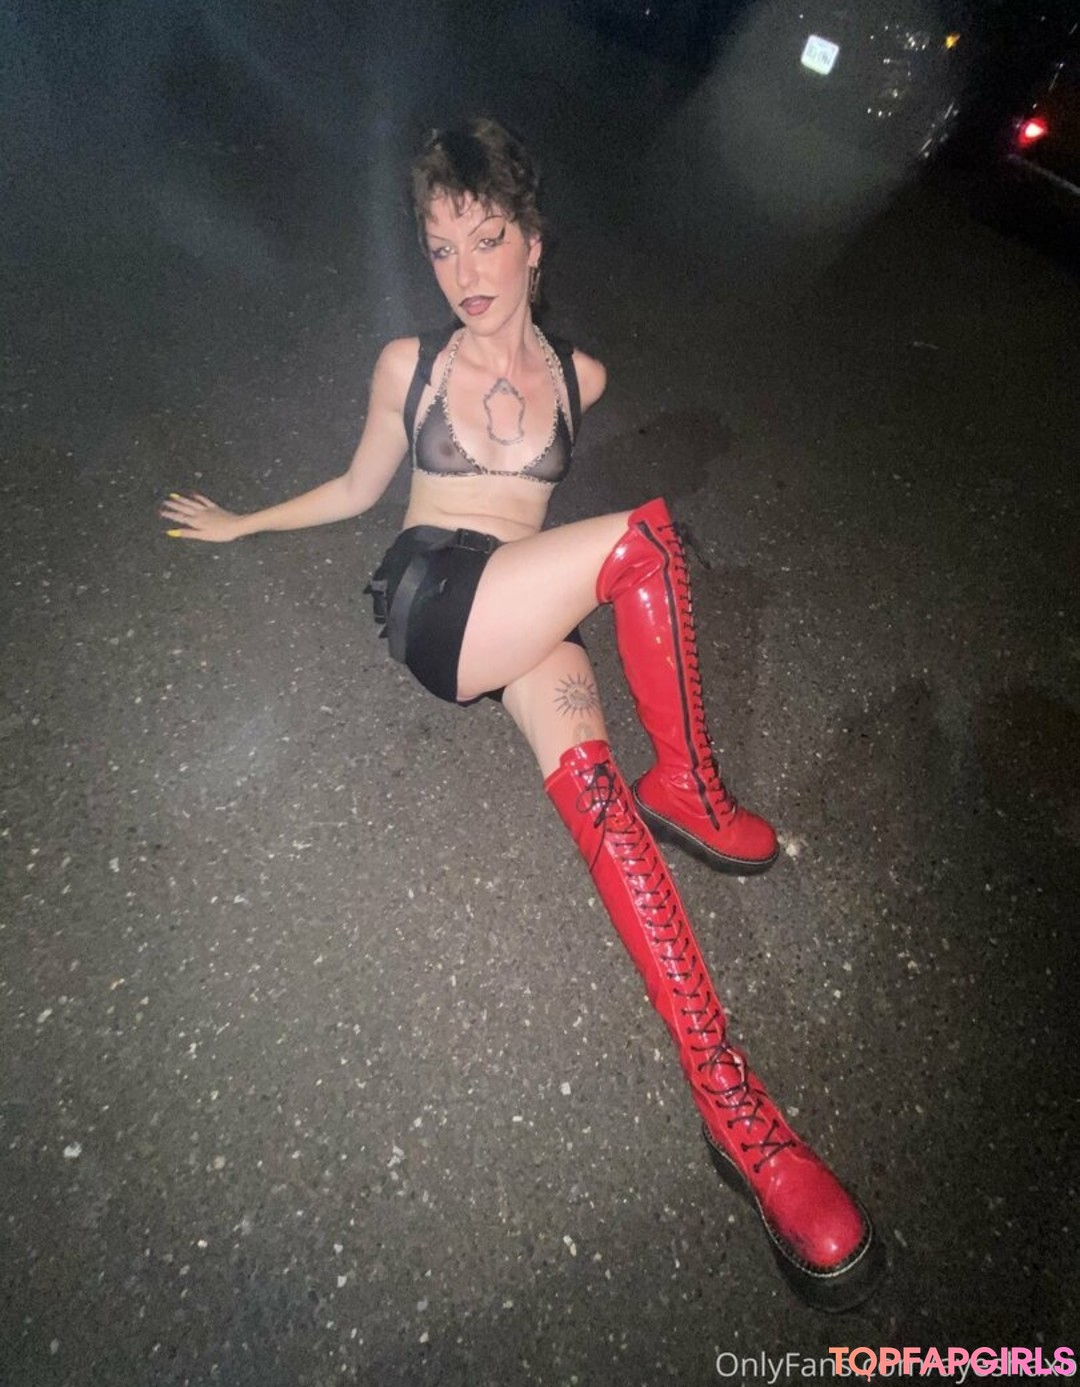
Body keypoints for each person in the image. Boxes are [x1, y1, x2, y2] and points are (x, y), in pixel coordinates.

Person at [160, 116, 882, 1311]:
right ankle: (693, 788)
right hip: (432, 599)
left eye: (486, 239)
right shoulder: (412, 365)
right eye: (441, 248)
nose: (465, 271)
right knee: (645, 542)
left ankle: (745, 1125)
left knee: (610, 824)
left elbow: (538, 522)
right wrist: (244, 522)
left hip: (516, 612)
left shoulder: (581, 380)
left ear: (534, 243)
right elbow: (359, 486)